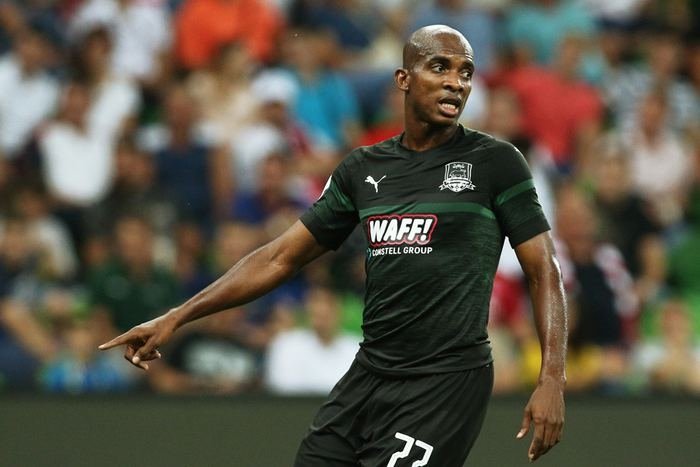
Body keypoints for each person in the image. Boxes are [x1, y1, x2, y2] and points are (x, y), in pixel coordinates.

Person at [100, 25, 567, 465]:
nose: (455, 83)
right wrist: (176, 316)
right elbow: (279, 257)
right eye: (439, 67)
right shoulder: (362, 169)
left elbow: (544, 270)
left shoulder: (496, 163)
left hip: (445, 383)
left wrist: (551, 377)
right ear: (403, 79)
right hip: (370, 374)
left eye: (465, 72)